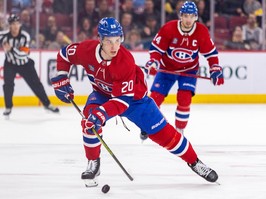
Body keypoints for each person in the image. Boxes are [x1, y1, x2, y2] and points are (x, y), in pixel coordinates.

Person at [50, 17, 218, 187]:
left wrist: (101, 113)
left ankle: (195, 163)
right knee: (88, 120)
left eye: (118, 40)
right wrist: (62, 77)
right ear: (100, 39)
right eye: (109, 41)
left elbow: (122, 102)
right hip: (102, 95)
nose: (115, 46)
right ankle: (93, 163)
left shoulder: (125, 61)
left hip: (135, 101)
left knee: (167, 136)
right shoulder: (86, 50)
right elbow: (64, 54)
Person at [142, 1, 224, 140]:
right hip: (167, 69)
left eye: (191, 16)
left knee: (184, 99)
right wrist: (153, 62)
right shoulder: (168, 29)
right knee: (155, 98)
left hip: (189, 71)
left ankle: (179, 132)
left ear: (196, 17)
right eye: (185, 16)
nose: (188, 19)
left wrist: (215, 68)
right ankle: (147, 126)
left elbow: (211, 54)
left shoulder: (201, 31)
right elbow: (156, 50)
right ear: (181, 16)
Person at [0, 14, 59, 117]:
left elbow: (25, 53)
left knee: (36, 84)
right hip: (10, 63)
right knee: (8, 85)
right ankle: (8, 107)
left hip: (25, 63)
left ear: (20, 24)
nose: (15, 26)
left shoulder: (25, 36)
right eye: (13, 24)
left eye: (17, 23)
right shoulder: (4, 35)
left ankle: (47, 104)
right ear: (9, 25)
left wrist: (11, 49)